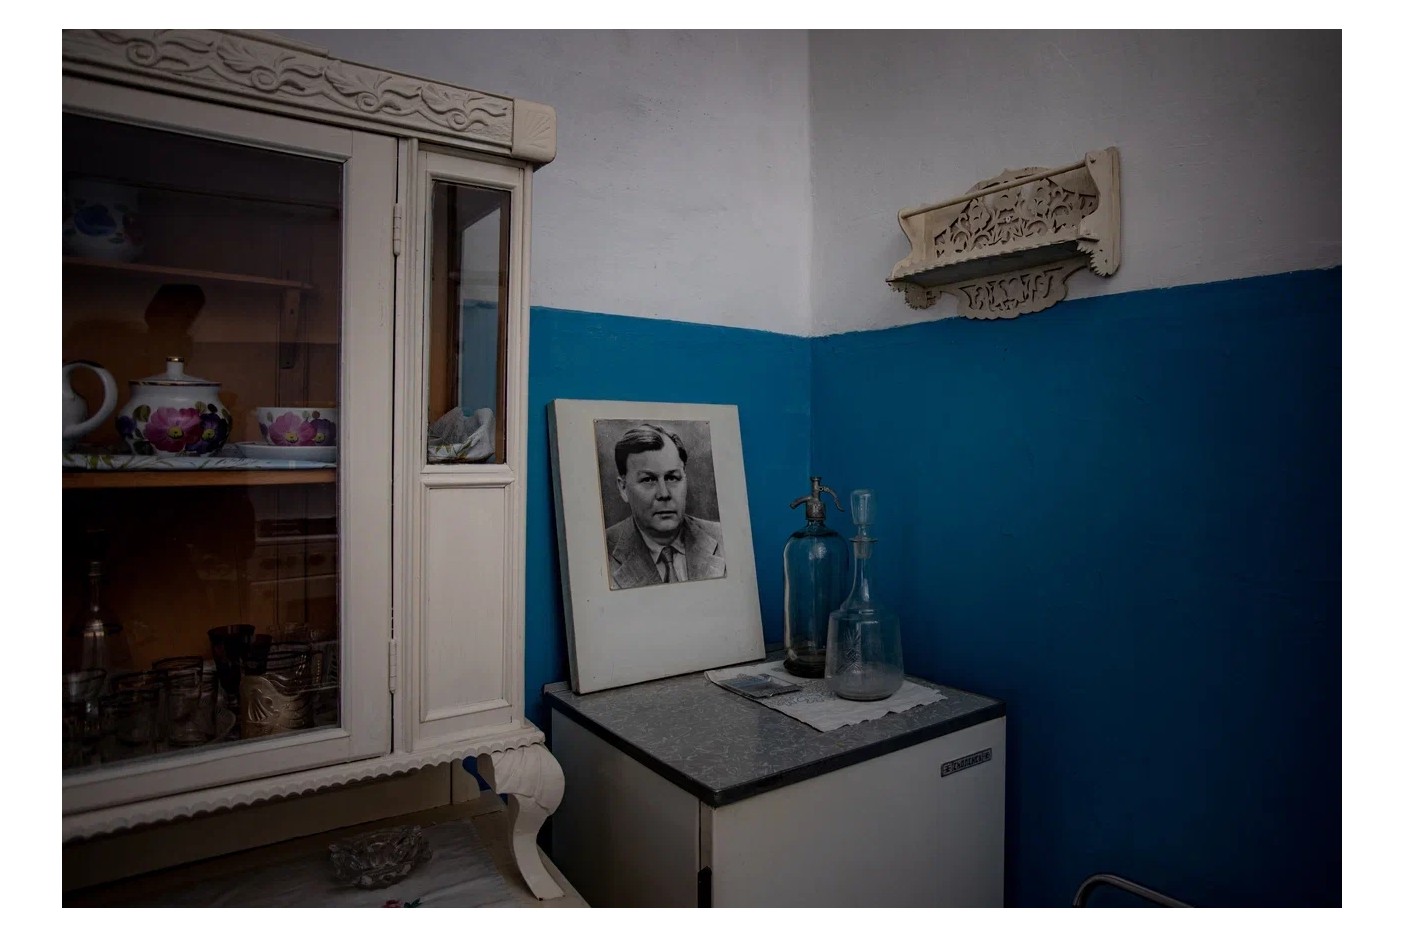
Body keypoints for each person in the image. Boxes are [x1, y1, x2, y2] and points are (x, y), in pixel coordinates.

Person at [605, 424, 725, 590]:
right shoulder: (599, 553)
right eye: (648, 480)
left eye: (672, 477)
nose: (664, 493)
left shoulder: (724, 538)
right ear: (623, 488)